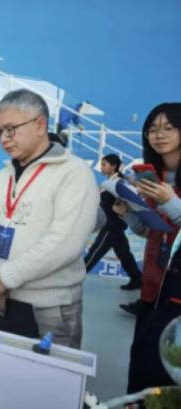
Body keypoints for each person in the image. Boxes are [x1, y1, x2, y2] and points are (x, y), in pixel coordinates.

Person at [0, 89, 99, 375]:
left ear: (40, 125)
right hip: (1, 299)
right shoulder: (2, 176)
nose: (4, 138)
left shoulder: (74, 173)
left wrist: (4, 278)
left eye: (11, 129)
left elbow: (65, 243)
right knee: (9, 379)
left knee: (50, 386)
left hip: (49, 307)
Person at [111, 103, 181, 392]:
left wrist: (170, 202)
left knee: (168, 367)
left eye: (168, 128)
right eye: (152, 129)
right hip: (152, 284)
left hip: (177, 291)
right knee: (141, 357)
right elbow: (151, 231)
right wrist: (128, 213)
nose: (159, 135)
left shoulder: (164, 190)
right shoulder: (154, 178)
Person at [84, 154, 142, 290]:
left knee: (94, 252)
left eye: (104, 164)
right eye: (101, 164)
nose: (101, 167)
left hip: (112, 226)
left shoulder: (120, 182)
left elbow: (130, 199)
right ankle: (137, 279)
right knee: (124, 254)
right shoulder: (110, 182)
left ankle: (73, 281)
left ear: (114, 166)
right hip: (113, 225)